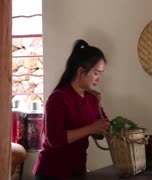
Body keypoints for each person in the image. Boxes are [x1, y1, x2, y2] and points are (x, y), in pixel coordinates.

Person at [33, 39, 110, 180]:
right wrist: (92, 128)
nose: (99, 79)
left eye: (101, 74)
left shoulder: (92, 99)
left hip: (77, 171)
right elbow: (54, 139)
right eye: (96, 73)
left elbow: (104, 125)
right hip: (51, 173)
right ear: (81, 71)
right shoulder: (58, 98)